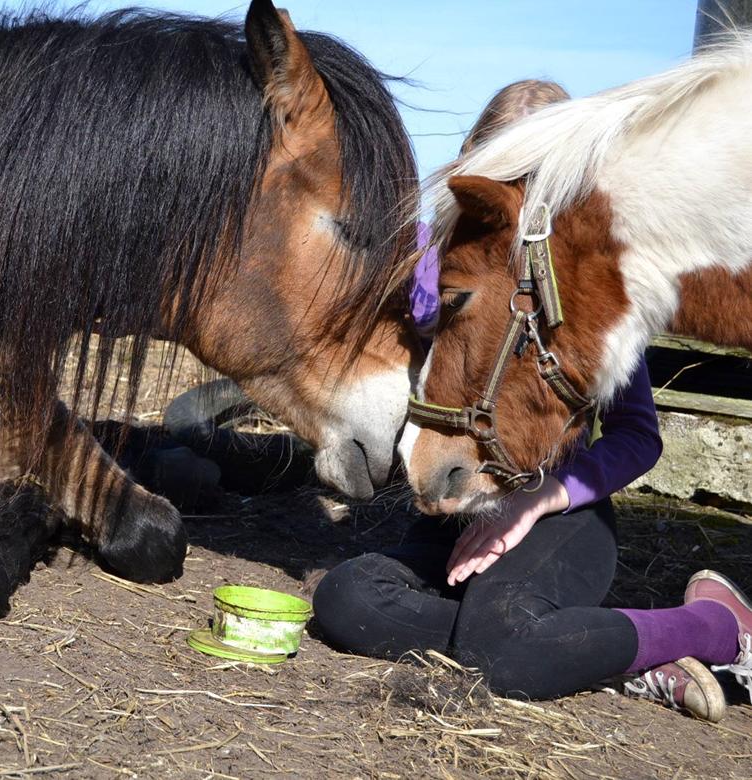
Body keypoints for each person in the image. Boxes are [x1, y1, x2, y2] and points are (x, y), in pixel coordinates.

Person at [313, 80, 752, 722]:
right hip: (462, 518)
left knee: (501, 648)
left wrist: (535, 501)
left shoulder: (581, 307)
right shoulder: (462, 275)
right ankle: (587, 650)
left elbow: (638, 438)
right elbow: (424, 318)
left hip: (559, 518)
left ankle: (714, 627)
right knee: (346, 597)